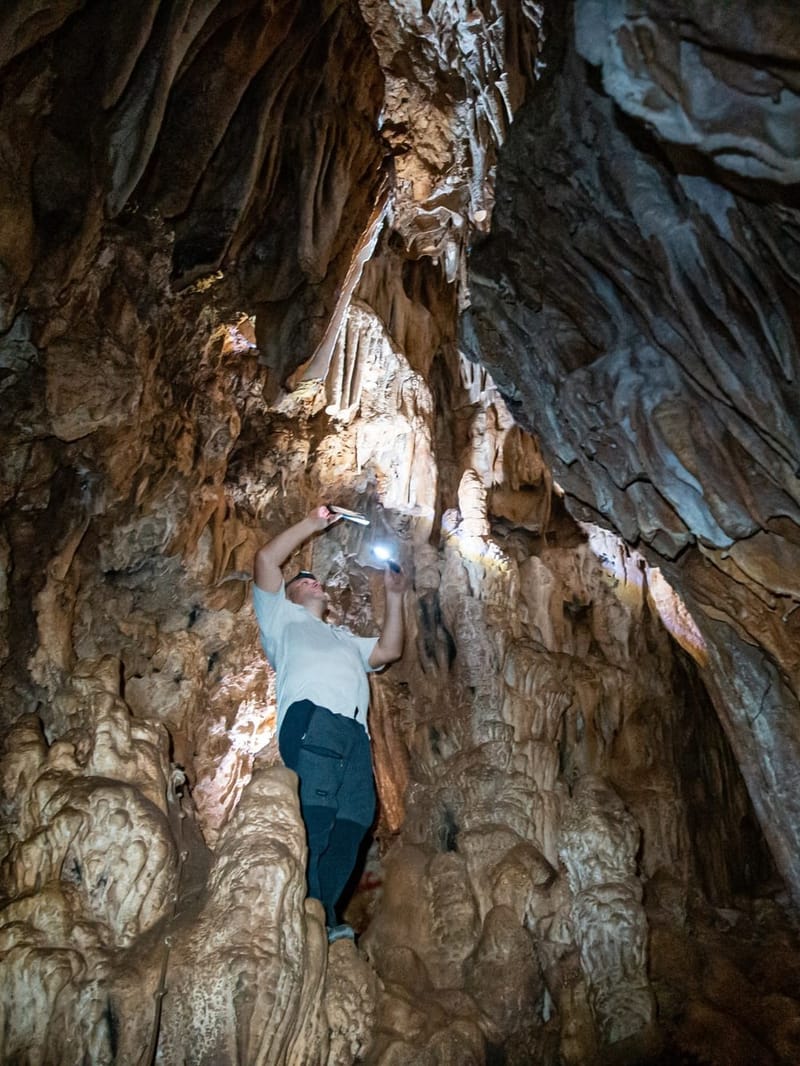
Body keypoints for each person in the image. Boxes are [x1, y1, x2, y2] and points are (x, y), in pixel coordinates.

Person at [253, 504, 406, 942]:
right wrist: (311, 524)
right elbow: (266, 561)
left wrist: (394, 596)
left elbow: (388, 651)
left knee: (354, 822)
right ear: (289, 595)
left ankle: (324, 910)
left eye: (314, 579)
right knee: (316, 817)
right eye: (303, 581)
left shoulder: (343, 639)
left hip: (355, 734)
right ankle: (307, 915)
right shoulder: (280, 620)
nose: (312, 582)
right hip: (312, 718)